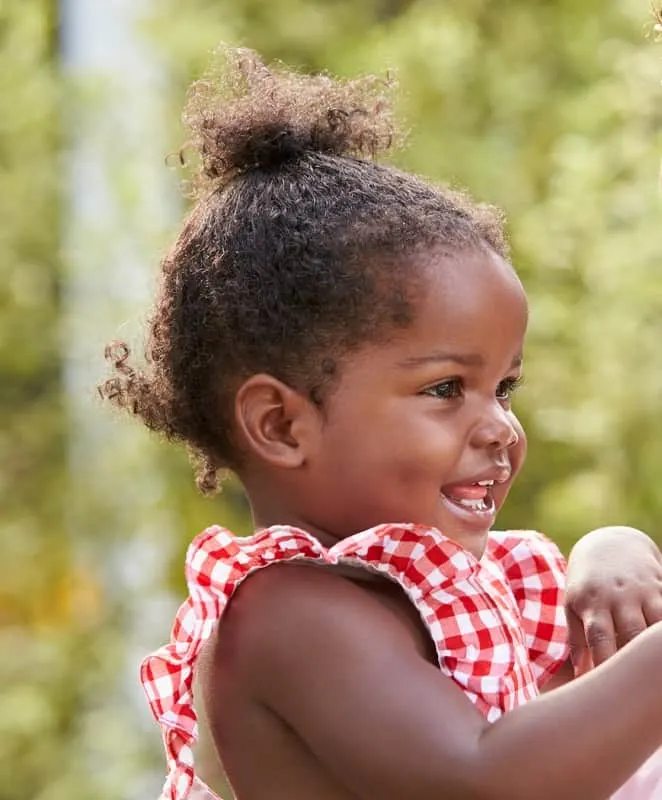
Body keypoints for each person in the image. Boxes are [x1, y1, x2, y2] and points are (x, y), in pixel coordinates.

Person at [100, 48, 662, 800]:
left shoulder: (456, 591)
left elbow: (579, 720)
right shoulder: (286, 617)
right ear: (281, 425)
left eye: (505, 387)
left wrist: (610, 558)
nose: (499, 426)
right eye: (446, 388)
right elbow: (486, 778)